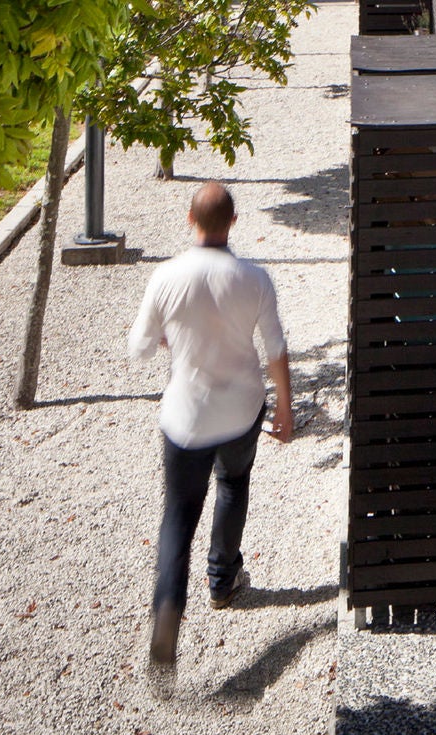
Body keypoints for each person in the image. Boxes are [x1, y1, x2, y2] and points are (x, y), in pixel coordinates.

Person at [127, 181, 293, 663]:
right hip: (242, 410)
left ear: (189, 219)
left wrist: (167, 338)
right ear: (233, 223)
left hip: (186, 415)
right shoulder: (255, 278)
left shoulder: (165, 277)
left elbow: (138, 348)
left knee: (178, 514)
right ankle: (223, 581)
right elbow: (277, 350)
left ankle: (167, 609)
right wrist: (284, 408)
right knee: (233, 484)